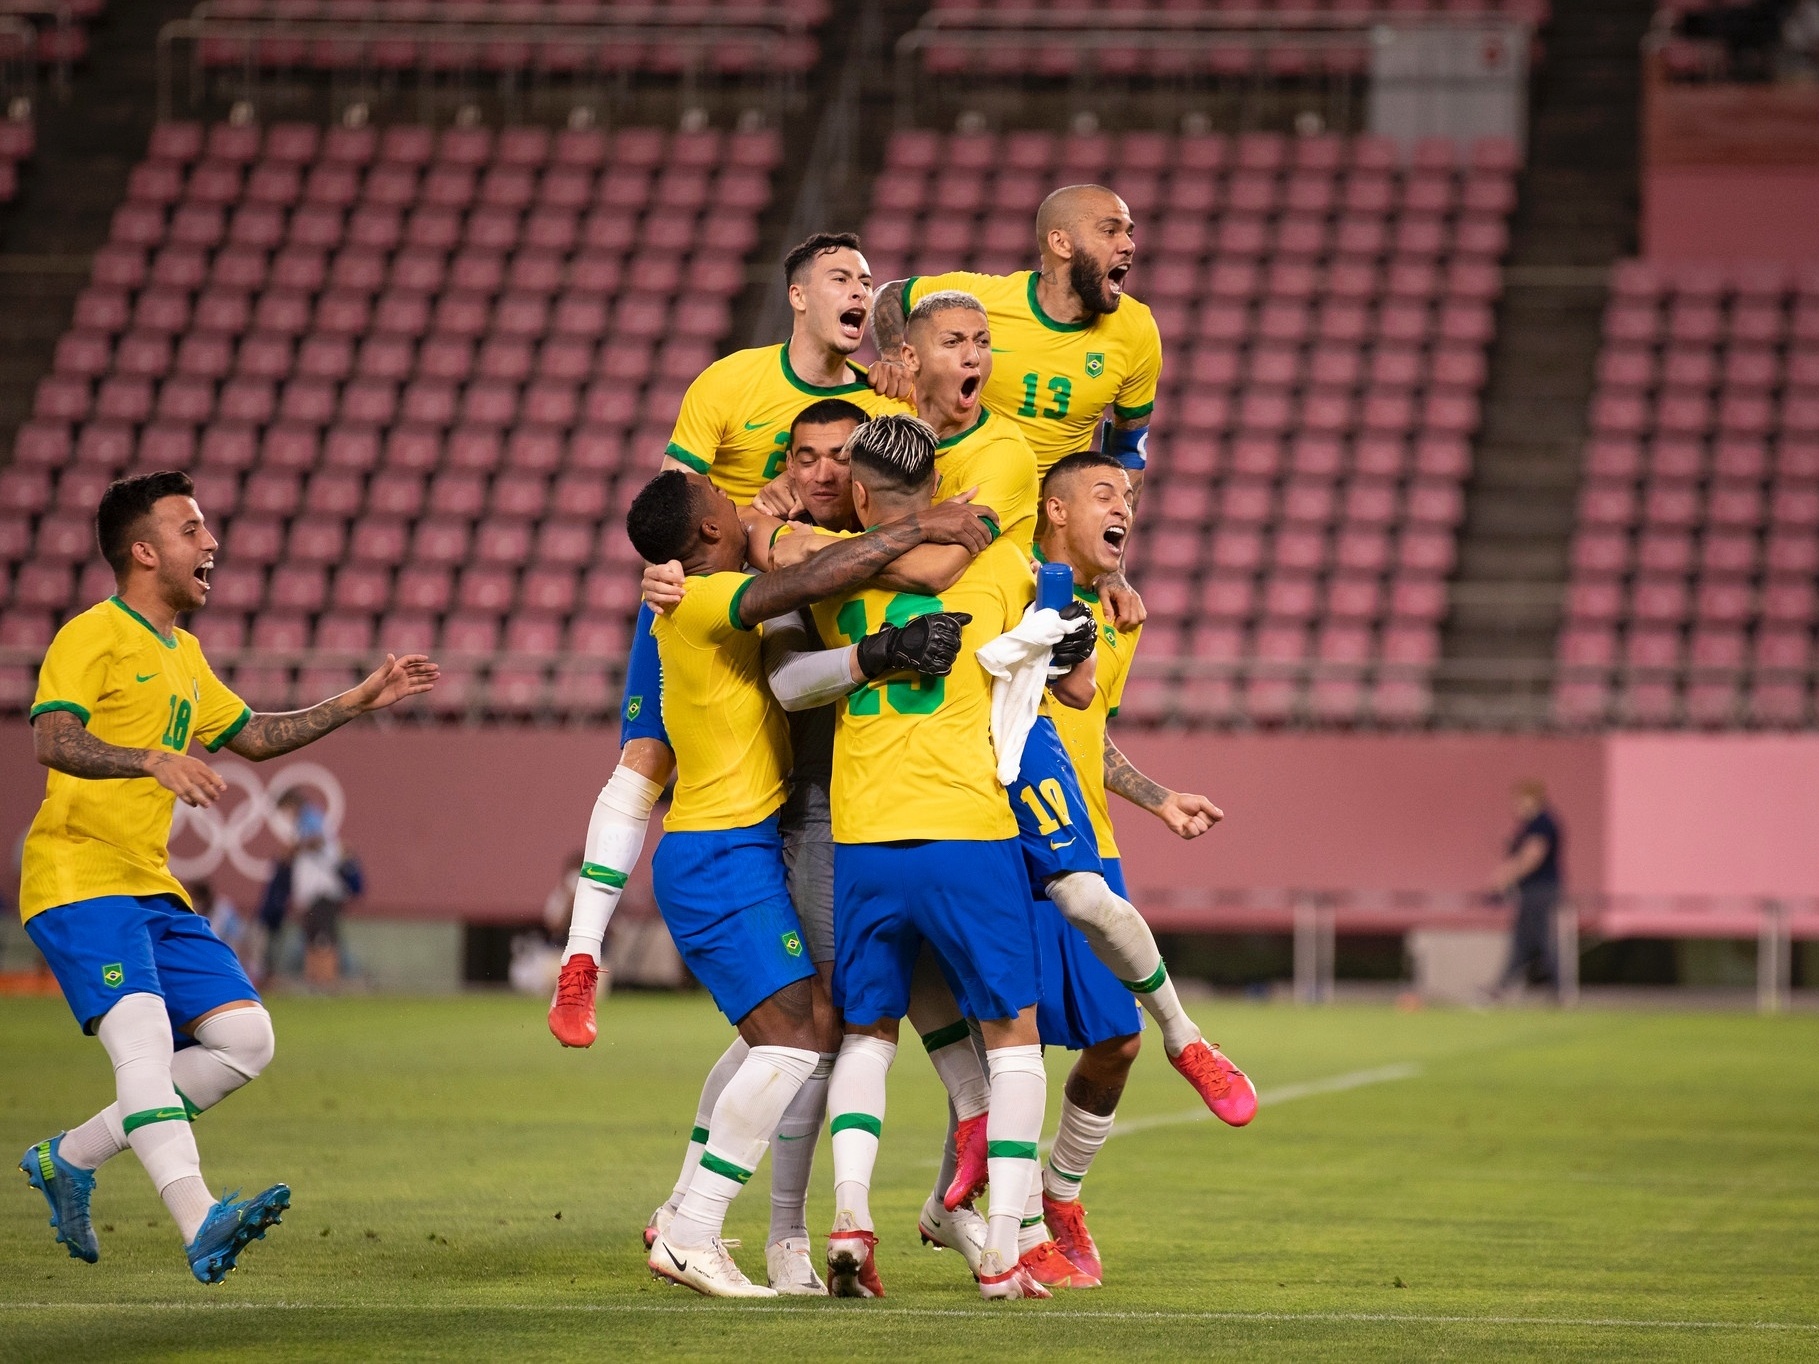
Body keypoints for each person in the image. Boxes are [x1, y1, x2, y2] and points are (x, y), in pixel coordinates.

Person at [17, 470, 437, 1283]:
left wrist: (357, 699)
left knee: (245, 1039)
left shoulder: (183, 652)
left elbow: (251, 736)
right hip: (77, 876)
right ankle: (199, 1219)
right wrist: (149, 757)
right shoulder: (91, 635)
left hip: (148, 881)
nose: (211, 544)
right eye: (191, 530)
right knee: (140, 1045)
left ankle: (69, 1156)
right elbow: (52, 739)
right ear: (143, 551)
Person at [624, 463, 996, 1297]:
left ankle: (689, 1210)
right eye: (727, 504)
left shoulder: (690, 595)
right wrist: (921, 526)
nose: (742, 503)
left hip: (739, 849)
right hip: (716, 856)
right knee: (795, 1042)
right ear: (712, 533)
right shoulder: (702, 599)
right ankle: (693, 1227)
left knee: (799, 1028)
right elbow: (813, 576)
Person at [549, 232, 910, 1049]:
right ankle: (579, 959)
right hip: (715, 599)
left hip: (806, 606)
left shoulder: (887, 398)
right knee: (646, 760)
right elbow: (672, 503)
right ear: (797, 296)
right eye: (839, 277)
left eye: (865, 277)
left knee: (794, 792)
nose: (859, 288)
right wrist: (662, 574)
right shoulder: (727, 383)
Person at [807, 414, 1097, 1301]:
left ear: (859, 494)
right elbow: (1072, 686)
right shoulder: (1003, 564)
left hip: (860, 831)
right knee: (1014, 1038)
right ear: (936, 490)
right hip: (965, 828)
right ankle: (1004, 1246)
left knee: (866, 1033)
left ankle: (851, 1217)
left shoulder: (828, 575)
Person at [1024, 452, 1248, 1285]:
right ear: (1052, 509)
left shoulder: (1119, 617)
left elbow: (1091, 732)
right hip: (999, 838)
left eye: (1130, 497)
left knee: (1113, 1042)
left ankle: (1059, 1197)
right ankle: (992, 1219)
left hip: (1091, 841)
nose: (1125, 507)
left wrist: (1154, 797)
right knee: (1002, 1041)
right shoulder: (1008, 587)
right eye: (1105, 493)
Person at [867, 184, 1162, 502]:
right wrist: (894, 357)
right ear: (1061, 243)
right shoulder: (981, 301)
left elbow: (1130, 450)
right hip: (955, 502)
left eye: (1129, 233)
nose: (1129, 245)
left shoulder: (1136, 329)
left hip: (1043, 530)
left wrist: (1113, 535)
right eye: (1110, 231)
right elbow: (891, 295)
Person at [1491, 780, 1564, 997]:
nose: (1517, 807)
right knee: (1522, 942)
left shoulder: (1541, 823)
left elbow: (1531, 857)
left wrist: (1503, 878)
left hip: (1540, 890)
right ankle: (1501, 987)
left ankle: (1559, 988)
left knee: (1540, 940)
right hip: (1533, 890)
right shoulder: (1532, 825)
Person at [276, 788, 347, 988]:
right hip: (311, 892)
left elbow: (318, 840)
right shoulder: (303, 822)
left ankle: (327, 980)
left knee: (324, 937)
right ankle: (315, 980)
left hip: (322, 889)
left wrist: (295, 848)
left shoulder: (310, 817)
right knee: (312, 935)